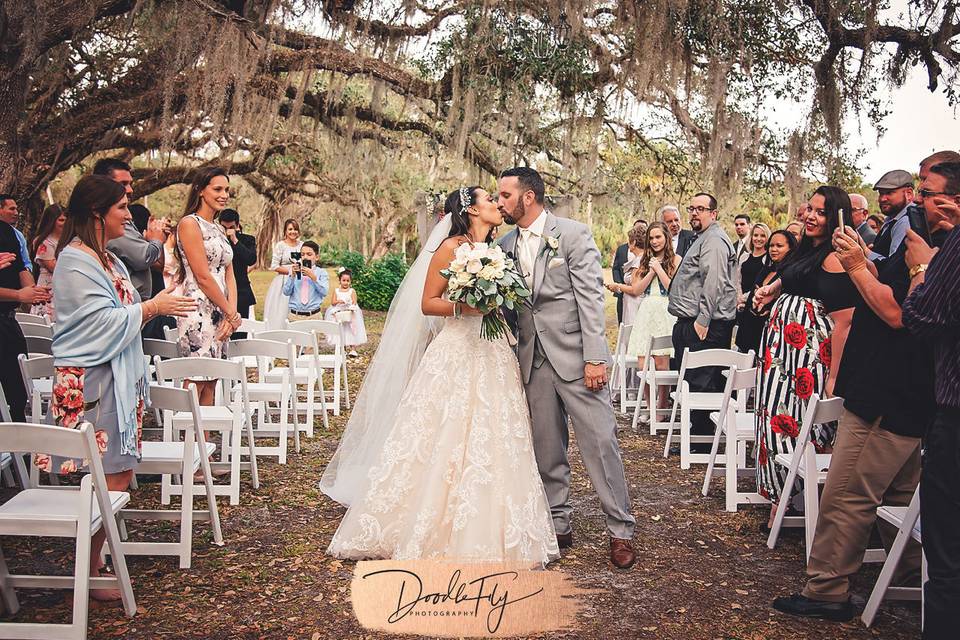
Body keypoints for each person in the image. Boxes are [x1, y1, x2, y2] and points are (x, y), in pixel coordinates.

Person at [326, 186, 559, 565]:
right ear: (470, 209)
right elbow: (428, 302)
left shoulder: (497, 251)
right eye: (489, 201)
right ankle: (425, 522)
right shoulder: (451, 248)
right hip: (457, 348)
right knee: (441, 431)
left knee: (495, 433)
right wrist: (465, 308)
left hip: (494, 350)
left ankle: (490, 528)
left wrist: (495, 304)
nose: (498, 206)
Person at [771, 163, 955, 623]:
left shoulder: (933, 249)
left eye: (926, 190)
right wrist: (869, 261)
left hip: (888, 392)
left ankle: (827, 588)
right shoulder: (924, 240)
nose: (914, 198)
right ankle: (911, 573)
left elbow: (900, 315)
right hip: (904, 392)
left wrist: (856, 266)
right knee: (899, 493)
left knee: (848, 491)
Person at [43, 175, 194, 601]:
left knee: (118, 472)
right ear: (97, 213)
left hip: (116, 377)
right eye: (121, 208)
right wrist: (152, 307)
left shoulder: (105, 257)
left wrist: (156, 303)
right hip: (94, 380)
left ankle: (98, 560)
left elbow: (122, 307)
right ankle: (88, 572)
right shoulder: (74, 261)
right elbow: (96, 323)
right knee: (106, 476)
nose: (128, 215)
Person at [497, 166, 636, 569]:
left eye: (505, 195)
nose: (500, 201)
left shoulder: (572, 235)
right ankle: (559, 522)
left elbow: (591, 300)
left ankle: (620, 530)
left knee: (600, 443)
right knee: (546, 447)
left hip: (577, 359)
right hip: (533, 360)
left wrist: (595, 356)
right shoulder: (505, 244)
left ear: (528, 197)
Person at [752, 187, 859, 528]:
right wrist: (773, 290)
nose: (811, 216)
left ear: (837, 217)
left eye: (821, 212)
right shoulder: (806, 249)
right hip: (780, 354)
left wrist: (833, 376)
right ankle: (779, 499)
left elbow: (845, 320)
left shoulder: (836, 256)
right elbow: (794, 277)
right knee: (773, 418)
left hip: (808, 356)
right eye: (809, 209)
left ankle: (805, 504)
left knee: (801, 423)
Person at [902, 160, 960, 639]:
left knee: (946, 557)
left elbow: (920, 318)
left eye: (926, 192)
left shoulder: (955, 248)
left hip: (955, 415)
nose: (919, 201)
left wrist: (921, 268)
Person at [667, 192, 738, 446]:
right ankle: (697, 437)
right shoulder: (703, 238)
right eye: (692, 208)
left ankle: (703, 441)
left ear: (713, 213)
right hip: (692, 321)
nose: (694, 213)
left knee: (702, 381)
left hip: (705, 324)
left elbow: (714, 281)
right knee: (691, 380)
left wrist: (703, 319)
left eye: (701, 209)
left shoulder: (715, 240)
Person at [174, 167, 241, 405]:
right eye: (218, 189)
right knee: (196, 379)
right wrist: (230, 312)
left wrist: (231, 313)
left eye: (227, 190)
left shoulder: (219, 229)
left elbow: (230, 274)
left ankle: (206, 441)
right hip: (198, 309)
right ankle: (189, 441)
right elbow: (202, 275)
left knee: (212, 380)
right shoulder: (189, 224)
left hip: (221, 311)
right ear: (201, 190)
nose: (224, 194)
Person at [613, 222, 681, 418]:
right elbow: (636, 290)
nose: (654, 241)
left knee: (661, 363)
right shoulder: (645, 261)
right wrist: (650, 270)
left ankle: (661, 409)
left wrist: (659, 269)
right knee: (643, 364)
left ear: (666, 237)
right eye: (651, 238)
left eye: (658, 237)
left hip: (665, 310)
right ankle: (650, 407)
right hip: (646, 310)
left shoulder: (676, 259)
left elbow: (673, 288)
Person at [94, 158, 168, 302]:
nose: (130, 190)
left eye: (130, 184)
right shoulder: (110, 224)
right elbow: (143, 257)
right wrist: (156, 240)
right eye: (123, 184)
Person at [0, 219, 50, 422]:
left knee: (17, 393)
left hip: (7, 323)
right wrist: (18, 296)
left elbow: (21, 267)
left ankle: (19, 449)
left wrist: (32, 291)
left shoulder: (7, 231)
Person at [735, 229, 797, 354]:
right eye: (771, 246)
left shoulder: (790, 277)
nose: (773, 249)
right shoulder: (766, 269)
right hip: (747, 333)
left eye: (779, 246)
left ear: (791, 248)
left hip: (768, 338)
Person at [219, 208, 257, 337]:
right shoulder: (215, 241)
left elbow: (251, 259)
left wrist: (235, 240)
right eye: (224, 227)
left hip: (241, 292)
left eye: (231, 227)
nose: (227, 230)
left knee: (240, 334)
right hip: (219, 292)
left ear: (237, 225)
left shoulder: (247, 240)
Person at [263, 218, 303, 329]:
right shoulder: (281, 245)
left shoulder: (302, 245)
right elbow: (274, 266)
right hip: (284, 281)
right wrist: (291, 271)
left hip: (300, 280)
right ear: (285, 231)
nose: (293, 232)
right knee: (282, 309)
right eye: (290, 229)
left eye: (295, 229)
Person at [28, 203, 65, 320]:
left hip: (65, 287)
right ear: (51, 221)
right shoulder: (43, 242)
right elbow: (54, 267)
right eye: (61, 220)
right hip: (49, 287)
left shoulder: (69, 240)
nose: (65, 223)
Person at [324, 268, 367, 356]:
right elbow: (333, 302)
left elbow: (354, 302)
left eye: (348, 281)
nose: (346, 282)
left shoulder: (352, 291)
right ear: (340, 280)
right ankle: (342, 348)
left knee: (351, 330)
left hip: (349, 313)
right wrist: (339, 301)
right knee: (340, 330)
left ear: (350, 281)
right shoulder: (336, 291)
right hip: (339, 312)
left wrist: (350, 306)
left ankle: (353, 349)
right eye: (343, 280)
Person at [282, 240, 328, 320]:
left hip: (314, 316)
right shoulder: (294, 271)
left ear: (317, 257)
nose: (305, 257)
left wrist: (314, 278)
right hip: (294, 316)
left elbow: (324, 292)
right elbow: (286, 292)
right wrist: (292, 276)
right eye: (302, 254)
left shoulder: (321, 272)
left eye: (309, 254)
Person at [611, 218, 646, 323]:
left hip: (635, 305)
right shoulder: (643, 258)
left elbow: (635, 290)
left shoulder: (639, 261)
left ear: (634, 242)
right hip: (630, 303)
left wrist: (618, 286)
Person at [736, 222, 770, 302]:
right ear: (751, 237)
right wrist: (739, 298)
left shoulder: (768, 259)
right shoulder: (744, 257)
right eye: (755, 235)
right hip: (738, 303)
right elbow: (737, 280)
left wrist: (744, 298)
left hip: (756, 301)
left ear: (767, 238)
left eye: (762, 236)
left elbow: (764, 284)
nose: (758, 239)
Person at [0, 194, 32, 272]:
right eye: (12, 209)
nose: (16, 213)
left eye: (16, 209)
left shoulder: (18, 235)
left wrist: (25, 271)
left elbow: (27, 262)